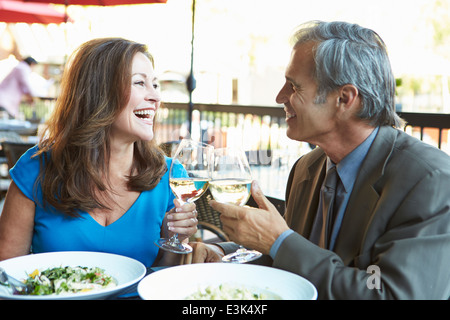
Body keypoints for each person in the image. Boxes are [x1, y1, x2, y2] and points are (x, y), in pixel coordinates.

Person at [190, 21, 450, 299]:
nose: (280, 97)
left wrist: (280, 241)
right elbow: (295, 258)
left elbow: (387, 292)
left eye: (293, 86)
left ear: (345, 98)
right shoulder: (307, 168)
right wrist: (223, 252)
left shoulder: (430, 181)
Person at [0, 38, 198, 267]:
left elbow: (165, 276)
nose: (155, 97)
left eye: (155, 84)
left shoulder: (173, 177)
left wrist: (180, 238)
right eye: (139, 83)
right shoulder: (35, 169)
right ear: (99, 92)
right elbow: (7, 273)